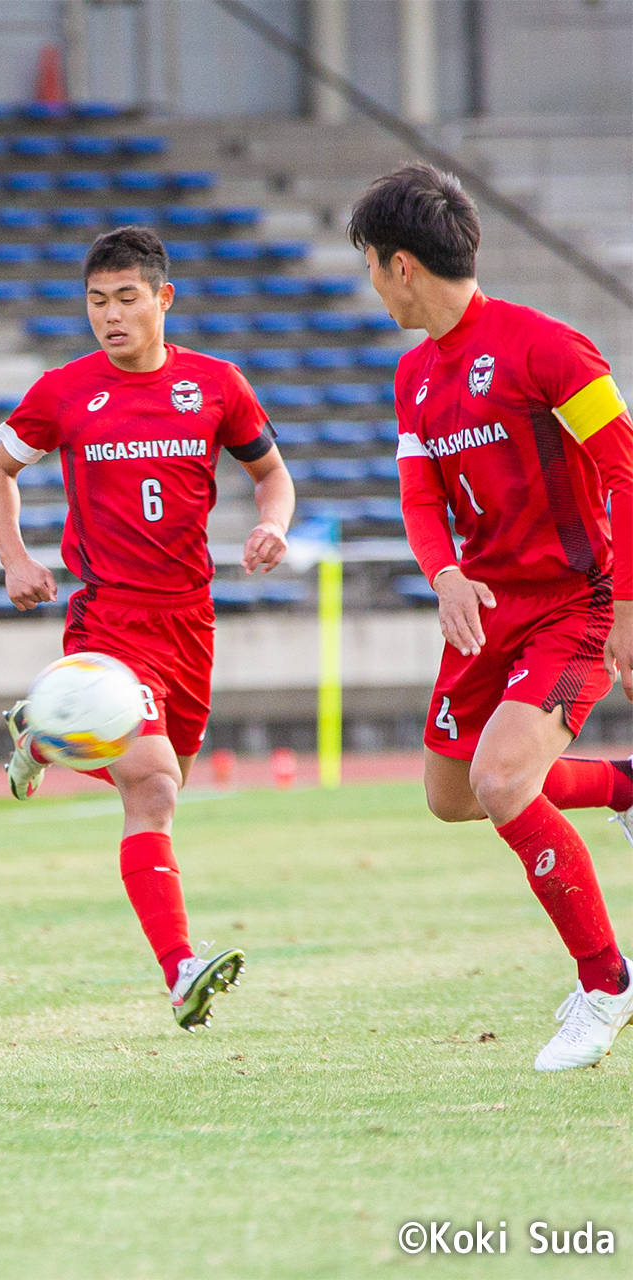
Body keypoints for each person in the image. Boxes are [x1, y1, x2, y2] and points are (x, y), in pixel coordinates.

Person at [0, 226, 296, 1030]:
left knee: (167, 781)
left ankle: (42, 733)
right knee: (151, 788)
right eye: (96, 302)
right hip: (108, 619)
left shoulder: (217, 385)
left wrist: (274, 524)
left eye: (126, 299)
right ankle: (180, 968)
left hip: (190, 621)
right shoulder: (63, 391)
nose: (111, 317)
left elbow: (270, 474)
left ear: (164, 298)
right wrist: (15, 557)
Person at [355, 163, 633, 1071]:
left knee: (509, 782)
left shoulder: (550, 348)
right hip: (483, 612)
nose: (369, 281)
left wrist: (626, 607)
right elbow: (420, 493)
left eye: (368, 263)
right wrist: (442, 575)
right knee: (456, 796)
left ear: (401, 266)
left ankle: (606, 984)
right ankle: (626, 787)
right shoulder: (413, 377)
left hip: (574, 604)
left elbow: (626, 471)